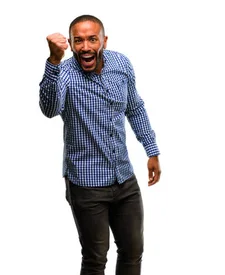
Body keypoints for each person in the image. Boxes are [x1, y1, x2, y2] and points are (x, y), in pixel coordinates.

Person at [39, 14, 161, 275]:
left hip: (124, 178)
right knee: (95, 260)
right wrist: (53, 62)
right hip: (86, 184)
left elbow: (135, 108)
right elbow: (48, 109)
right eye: (78, 41)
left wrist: (151, 150)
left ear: (104, 40)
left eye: (92, 39)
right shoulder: (65, 74)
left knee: (132, 251)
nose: (85, 47)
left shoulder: (121, 64)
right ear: (71, 45)